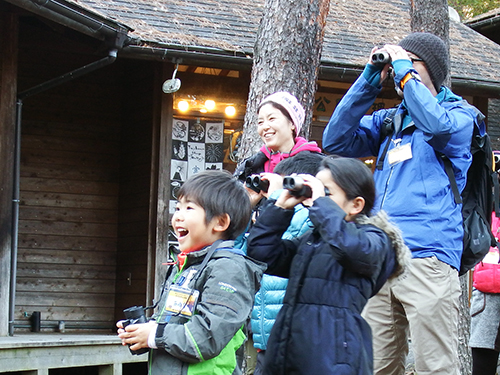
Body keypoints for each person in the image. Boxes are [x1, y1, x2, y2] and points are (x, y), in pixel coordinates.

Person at [322, 32, 479, 375]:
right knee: (376, 366)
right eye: (396, 64)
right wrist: (368, 80)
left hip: (429, 257)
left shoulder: (460, 116)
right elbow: (335, 140)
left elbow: (438, 129)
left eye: (409, 62)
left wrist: (407, 73)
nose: (397, 70)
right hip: (382, 258)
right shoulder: (390, 121)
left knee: (433, 367)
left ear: (430, 70)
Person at [246, 155, 410, 375]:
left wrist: (319, 204)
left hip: (334, 357)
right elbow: (262, 254)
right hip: (287, 351)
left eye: (327, 192)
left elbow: (351, 249)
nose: (317, 197)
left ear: (356, 204)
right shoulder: (312, 239)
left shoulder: (374, 239)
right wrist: (280, 208)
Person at [116, 170, 266, 375]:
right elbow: (174, 326)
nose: (177, 216)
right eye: (177, 207)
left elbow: (208, 337)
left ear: (220, 222)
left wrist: (155, 335)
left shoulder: (229, 269)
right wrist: (141, 333)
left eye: (189, 208)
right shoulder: (187, 265)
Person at [248, 152, 325, 375]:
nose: (286, 190)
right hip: (266, 330)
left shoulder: (313, 218)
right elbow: (251, 253)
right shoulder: (276, 212)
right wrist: (252, 208)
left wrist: (277, 201)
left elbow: (288, 240)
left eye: (290, 184)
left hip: (293, 336)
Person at [234, 91, 322, 206]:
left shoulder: (317, 166)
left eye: (272, 119)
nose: (265, 127)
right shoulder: (250, 166)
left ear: (292, 124)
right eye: (260, 122)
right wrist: (247, 209)